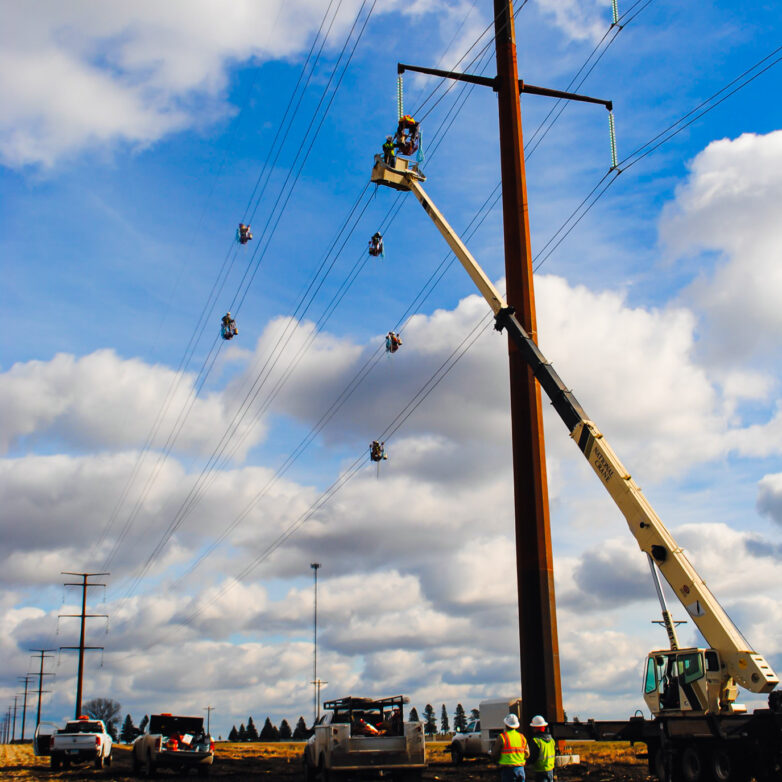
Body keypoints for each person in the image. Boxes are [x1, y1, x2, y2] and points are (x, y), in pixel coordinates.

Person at [491, 714, 528, 781]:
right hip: (520, 769)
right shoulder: (522, 737)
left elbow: (495, 753)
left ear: (506, 725)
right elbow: (527, 754)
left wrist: (496, 761)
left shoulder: (502, 737)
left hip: (508, 770)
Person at [527, 716, 555, 782]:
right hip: (550, 769)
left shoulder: (536, 740)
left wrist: (526, 763)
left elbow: (533, 757)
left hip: (540, 771)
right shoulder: (551, 740)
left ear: (536, 728)